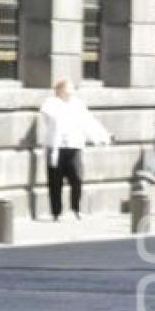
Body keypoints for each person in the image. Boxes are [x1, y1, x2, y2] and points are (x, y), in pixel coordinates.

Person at [39, 79, 111, 221]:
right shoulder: (51, 104)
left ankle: (75, 208)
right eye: (68, 88)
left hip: (74, 147)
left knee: (77, 179)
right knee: (55, 182)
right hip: (56, 148)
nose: (71, 92)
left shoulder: (78, 105)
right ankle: (56, 212)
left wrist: (103, 137)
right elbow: (52, 119)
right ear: (60, 89)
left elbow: (89, 122)